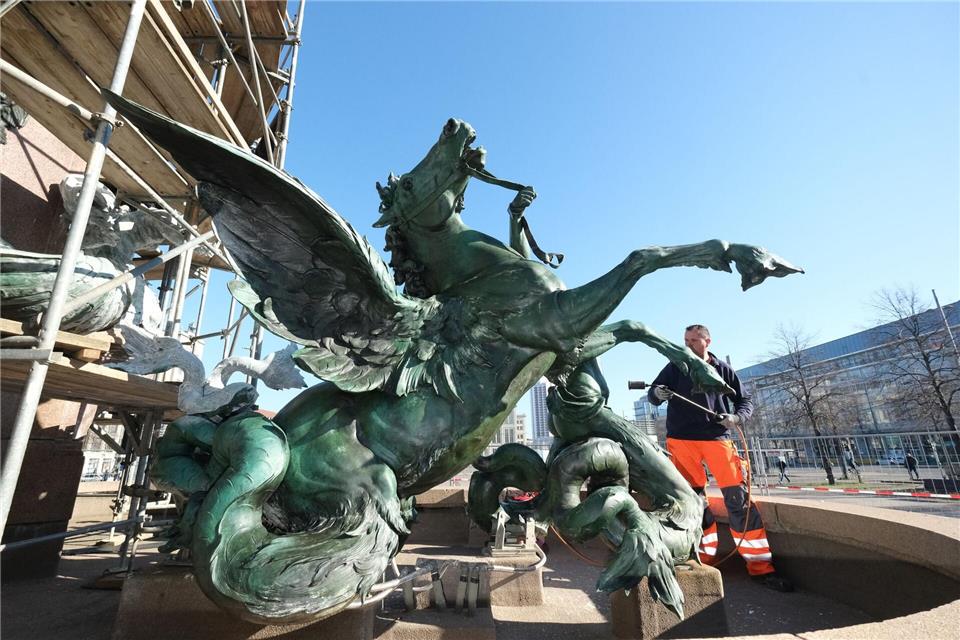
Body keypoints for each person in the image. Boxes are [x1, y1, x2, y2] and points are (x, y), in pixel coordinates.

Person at [649, 324, 793, 592]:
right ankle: (701, 561)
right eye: (686, 340)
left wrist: (736, 418)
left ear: (708, 341)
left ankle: (761, 568)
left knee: (739, 501)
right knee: (693, 503)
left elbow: (745, 401)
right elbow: (653, 393)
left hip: (717, 439)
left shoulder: (723, 370)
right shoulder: (676, 366)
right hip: (681, 441)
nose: (688, 345)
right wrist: (657, 393)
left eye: (694, 340)